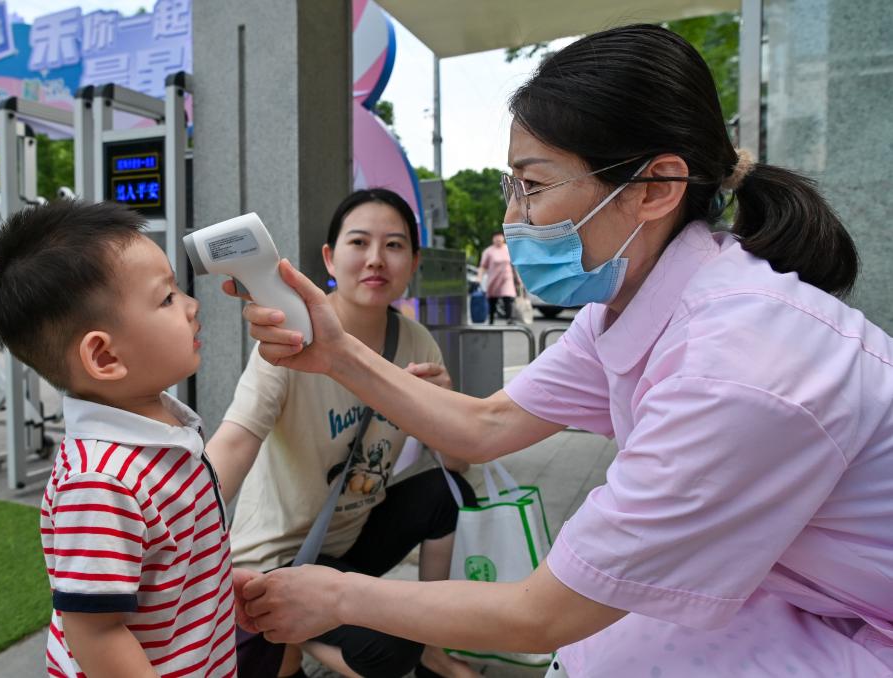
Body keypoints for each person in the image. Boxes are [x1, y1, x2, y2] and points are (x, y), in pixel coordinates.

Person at [232, 24, 893, 677]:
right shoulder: (629, 304)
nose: (513, 217)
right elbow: (486, 423)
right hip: (820, 596)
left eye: (534, 185)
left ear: (654, 188)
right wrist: (338, 352)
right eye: (512, 186)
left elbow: (542, 612)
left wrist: (336, 597)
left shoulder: (733, 369)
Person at [205, 188, 479, 678]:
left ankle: (432, 643)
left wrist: (445, 406)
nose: (376, 259)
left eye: (394, 245)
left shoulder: (416, 342)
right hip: (278, 556)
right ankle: (287, 628)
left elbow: (456, 465)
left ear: (413, 262)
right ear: (330, 258)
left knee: (447, 491)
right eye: (359, 242)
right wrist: (179, 526)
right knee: (393, 648)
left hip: (352, 539)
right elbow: (235, 439)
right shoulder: (290, 339)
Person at [0, 200, 240, 678]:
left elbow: (167, 564)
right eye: (167, 298)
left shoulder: (164, 432)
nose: (192, 305)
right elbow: (94, 631)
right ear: (104, 356)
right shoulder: (101, 482)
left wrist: (218, 588)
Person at [478, 232, 517, 323]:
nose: (498, 241)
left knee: (507, 298)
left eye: (500, 239)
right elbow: (483, 266)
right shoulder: (488, 251)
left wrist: (518, 279)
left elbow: (514, 265)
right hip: (494, 279)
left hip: (506, 279)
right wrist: (479, 278)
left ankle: (509, 318)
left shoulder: (508, 249)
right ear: (493, 240)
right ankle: (491, 319)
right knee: (492, 300)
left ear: (503, 239)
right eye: (496, 239)